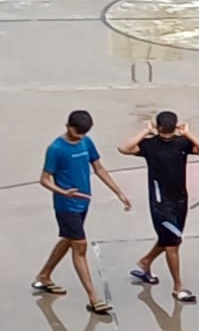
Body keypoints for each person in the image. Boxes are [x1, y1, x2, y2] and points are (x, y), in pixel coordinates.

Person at [30, 109, 127, 314]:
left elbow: (99, 168)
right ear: (68, 126)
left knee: (68, 239)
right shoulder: (56, 148)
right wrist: (63, 192)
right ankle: (93, 297)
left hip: (84, 203)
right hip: (66, 205)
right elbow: (44, 179)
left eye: (84, 133)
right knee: (80, 246)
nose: (81, 136)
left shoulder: (87, 142)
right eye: (77, 132)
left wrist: (118, 192)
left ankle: (44, 275)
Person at [122, 110, 199, 300]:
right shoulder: (150, 146)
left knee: (171, 238)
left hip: (179, 200)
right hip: (160, 203)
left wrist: (186, 134)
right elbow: (124, 148)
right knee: (173, 244)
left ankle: (145, 262)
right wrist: (146, 133)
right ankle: (177, 287)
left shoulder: (180, 143)